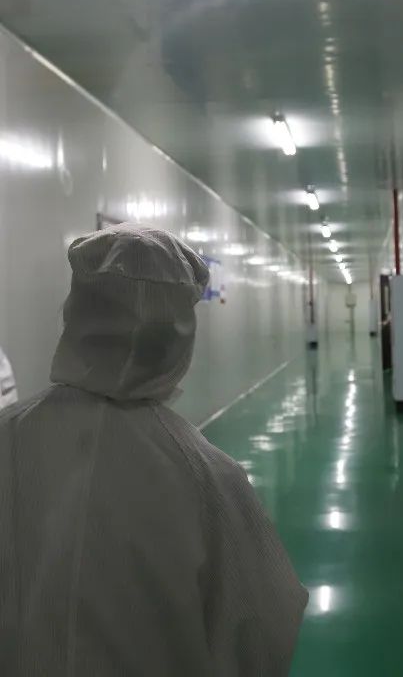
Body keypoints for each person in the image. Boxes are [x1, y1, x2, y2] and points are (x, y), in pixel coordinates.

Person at [0, 223, 307, 676]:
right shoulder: (208, 478)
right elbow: (260, 636)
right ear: (177, 337)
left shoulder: (8, 438)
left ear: (75, 313)